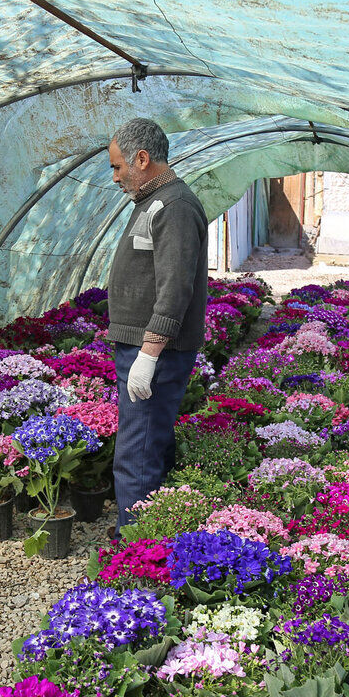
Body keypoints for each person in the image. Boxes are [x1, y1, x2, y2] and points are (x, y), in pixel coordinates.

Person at [105, 118, 208, 532]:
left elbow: (175, 286)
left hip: (156, 351)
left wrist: (148, 353)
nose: (114, 177)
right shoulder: (154, 202)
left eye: (117, 167)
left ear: (142, 159)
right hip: (143, 347)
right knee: (146, 442)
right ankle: (149, 533)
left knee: (137, 450)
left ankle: (133, 548)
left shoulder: (174, 207)